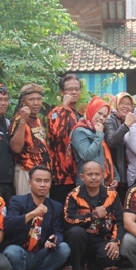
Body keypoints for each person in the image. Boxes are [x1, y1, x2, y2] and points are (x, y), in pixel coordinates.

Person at [2, 165, 70, 270]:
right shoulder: (17, 201)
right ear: (30, 183)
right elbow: (9, 225)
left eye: (46, 181)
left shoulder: (56, 206)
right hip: (20, 253)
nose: (42, 184)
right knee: (12, 251)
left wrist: (54, 239)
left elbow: (59, 231)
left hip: (41, 253)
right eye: (38, 180)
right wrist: (33, 213)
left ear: (51, 184)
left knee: (64, 248)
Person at [63, 161, 125, 270]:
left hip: (102, 238)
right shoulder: (73, 195)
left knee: (111, 255)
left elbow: (119, 221)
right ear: (82, 177)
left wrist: (115, 241)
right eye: (89, 174)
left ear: (102, 175)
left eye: (97, 174)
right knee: (75, 233)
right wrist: (93, 216)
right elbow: (68, 219)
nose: (93, 177)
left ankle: (95, 268)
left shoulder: (112, 195)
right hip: (82, 238)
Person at [10, 83, 51, 195]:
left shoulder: (38, 119)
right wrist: (23, 120)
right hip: (26, 171)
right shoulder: (19, 119)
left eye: (38, 99)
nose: (36, 103)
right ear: (23, 102)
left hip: (41, 173)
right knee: (27, 207)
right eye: (31, 99)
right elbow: (16, 148)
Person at [48, 74, 83, 203]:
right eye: (69, 89)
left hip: (78, 173)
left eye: (77, 89)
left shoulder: (79, 114)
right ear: (62, 92)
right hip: (61, 175)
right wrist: (64, 106)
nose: (74, 92)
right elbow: (57, 133)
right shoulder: (56, 112)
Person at [71, 97, 119, 189]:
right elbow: (87, 155)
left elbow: (105, 156)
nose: (101, 118)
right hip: (89, 187)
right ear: (92, 110)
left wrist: (116, 176)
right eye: (99, 113)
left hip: (105, 186)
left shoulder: (97, 130)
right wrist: (99, 134)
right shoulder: (80, 131)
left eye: (105, 116)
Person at [104, 92, 135, 198]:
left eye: (129, 104)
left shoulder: (133, 120)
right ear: (116, 104)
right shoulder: (110, 119)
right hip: (117, 172)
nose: (125, 106)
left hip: (130, 173)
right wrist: (126, 125)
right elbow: (111, 141)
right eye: (122, 103)